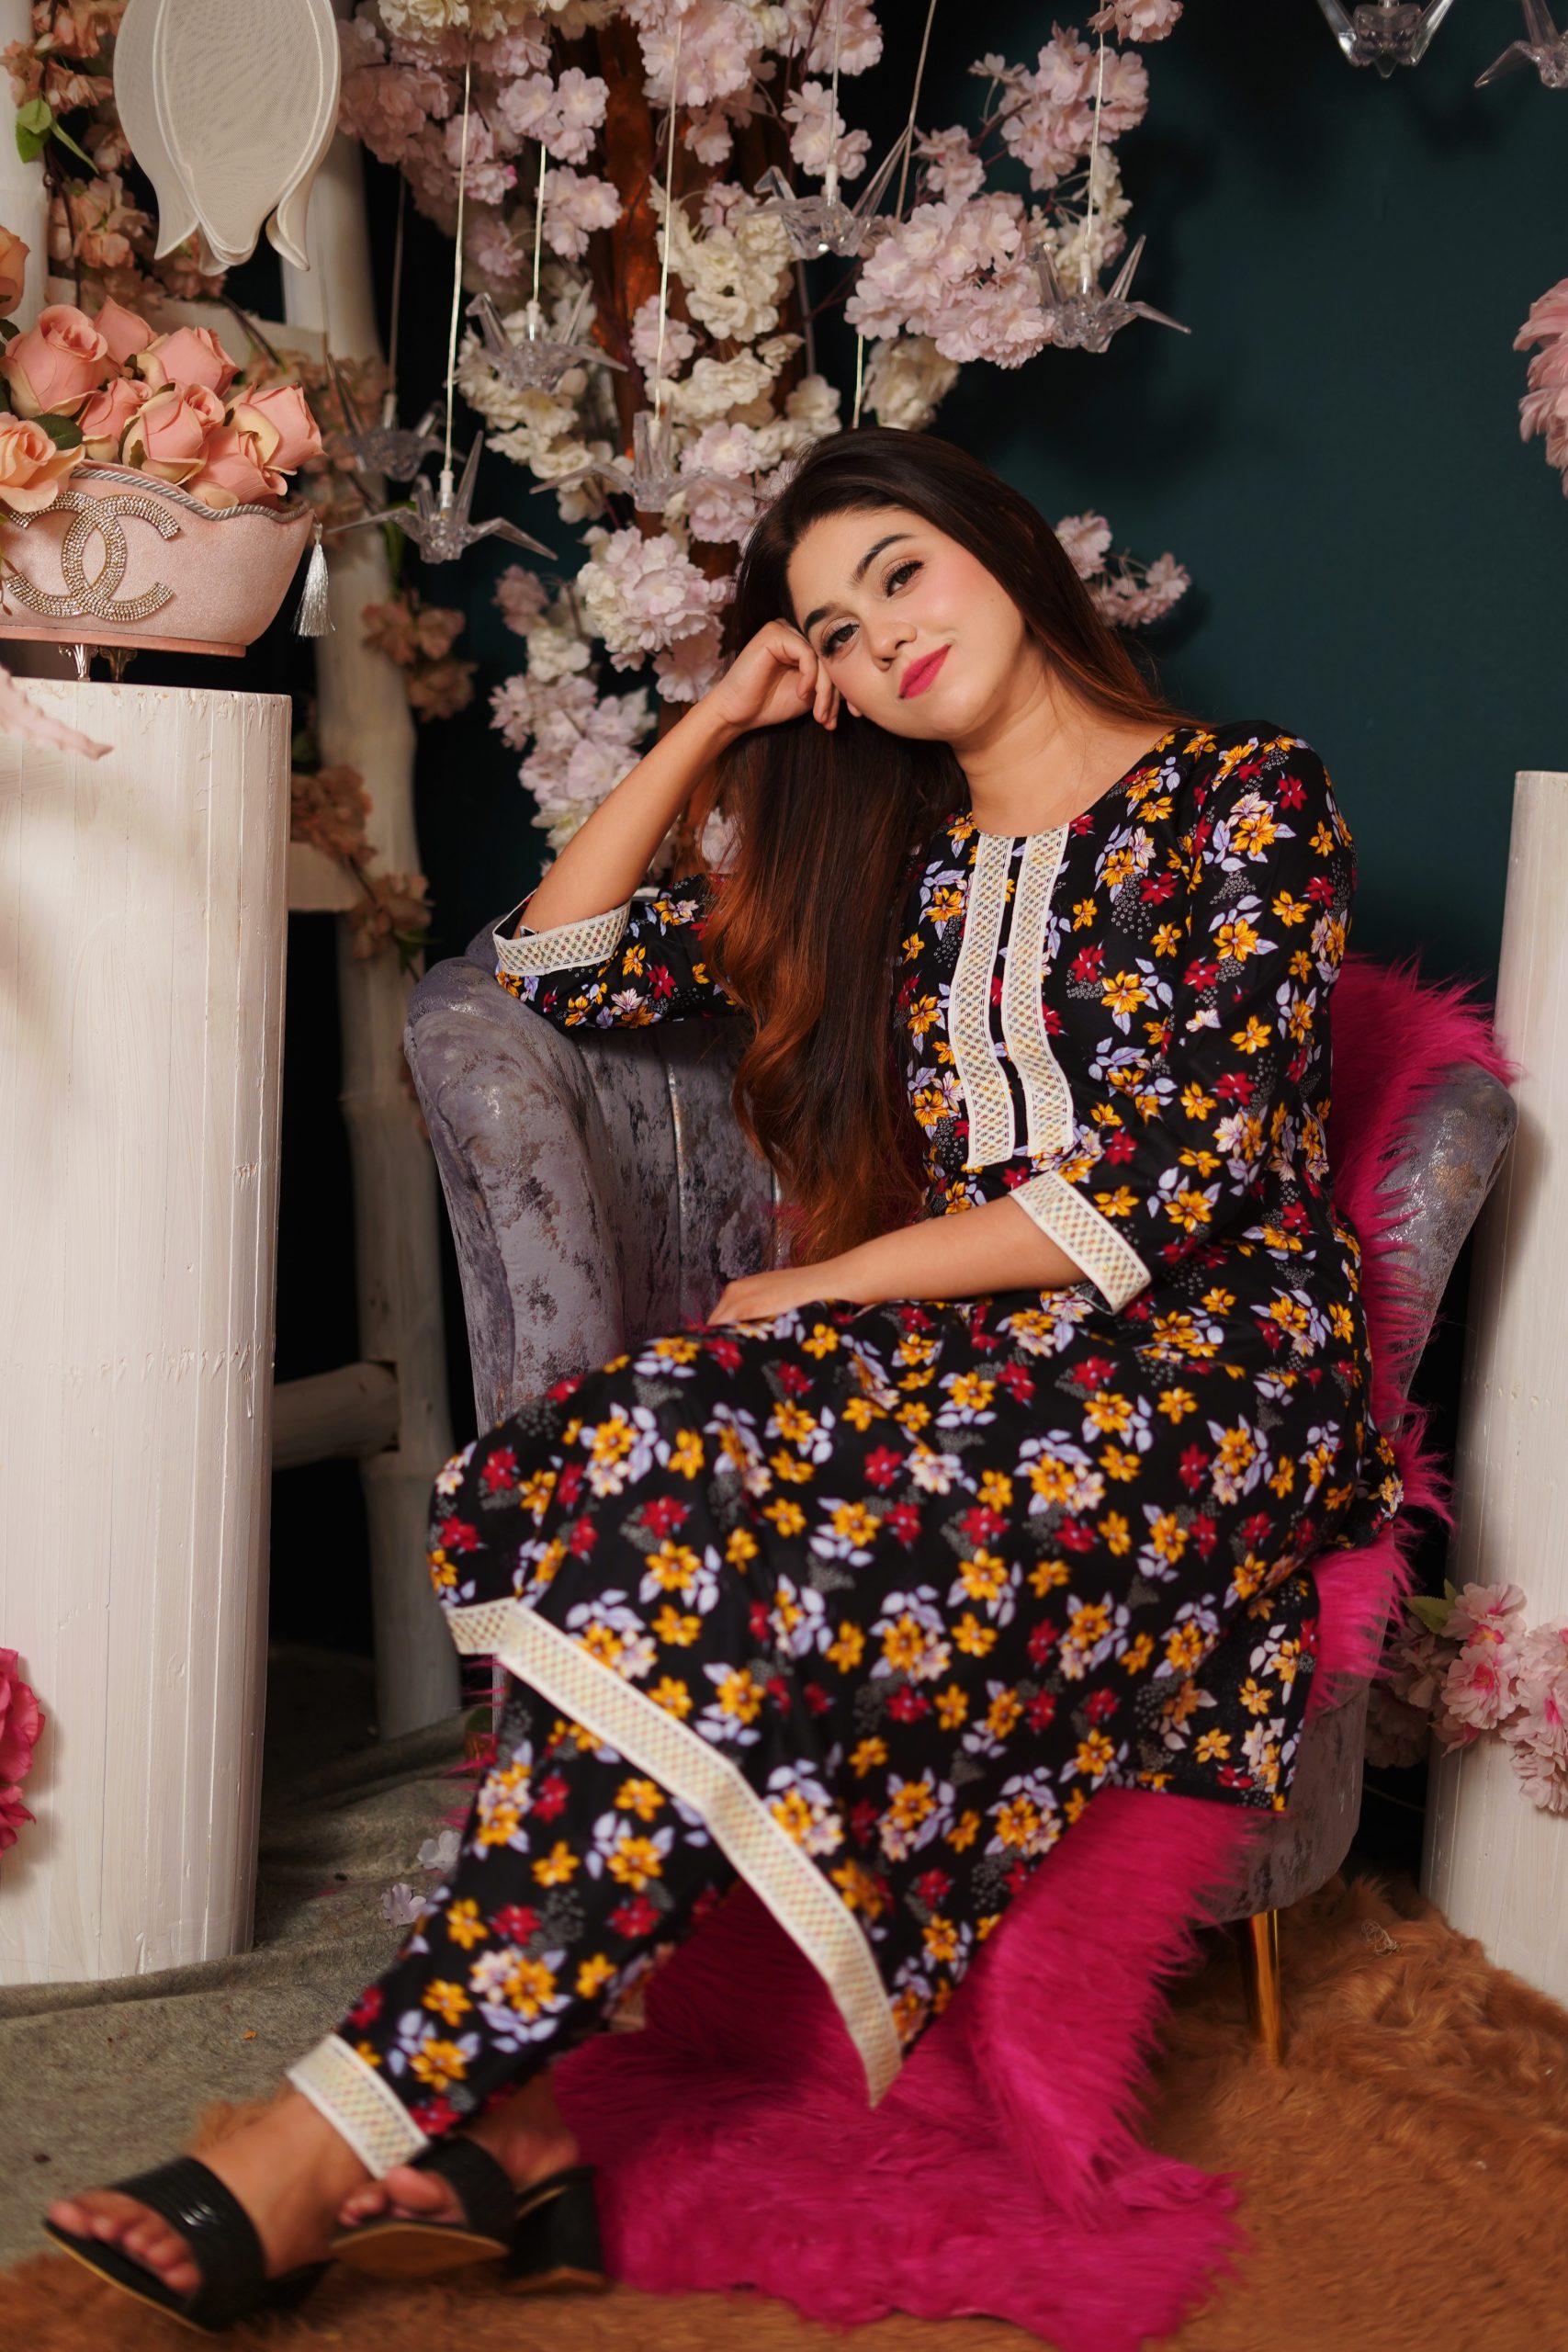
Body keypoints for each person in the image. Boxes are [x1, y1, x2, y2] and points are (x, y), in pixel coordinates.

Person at [45, 428, 1401, 2331]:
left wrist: (829, 1283)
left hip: (1217, 1379)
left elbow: (1175, 1180)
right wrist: (721, 712)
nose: (878, 639)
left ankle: (335, 2122)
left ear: (1001, 549)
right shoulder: (892, 867)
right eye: (833, 631)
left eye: (897, 577)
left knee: (702, 1423)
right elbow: (557, 963)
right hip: (977, 1367)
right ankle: (504, 2106)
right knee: (629, 1440)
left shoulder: (1242, 798)